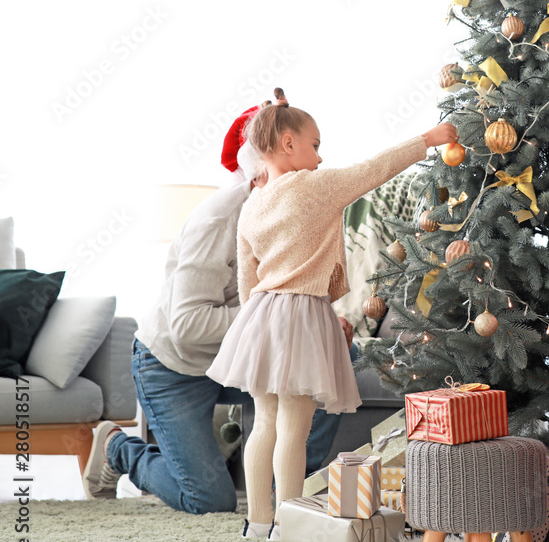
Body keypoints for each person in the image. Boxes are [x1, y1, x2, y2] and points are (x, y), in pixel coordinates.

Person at [206, 88, 457, 540]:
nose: (321, 158)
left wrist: (256, 328)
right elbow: (374, 170)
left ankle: (258, 522)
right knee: (294, 429)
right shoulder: (314, 187)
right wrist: (428, 138)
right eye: (315, 145)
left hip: (260, 316)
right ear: (287, 143)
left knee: (264, 422)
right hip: (303, 315)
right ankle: (288, 522)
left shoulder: (252, 205)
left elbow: (248, 281)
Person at [81, 104, 349, 513]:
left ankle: (287, 500)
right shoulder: (219, 220)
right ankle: (119, 449)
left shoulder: (303, 208)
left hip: (235, 355)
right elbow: (187, 324)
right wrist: (277, 319)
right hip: (174, 367)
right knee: (209, 500)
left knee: (329, 367)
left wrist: (321, 321)